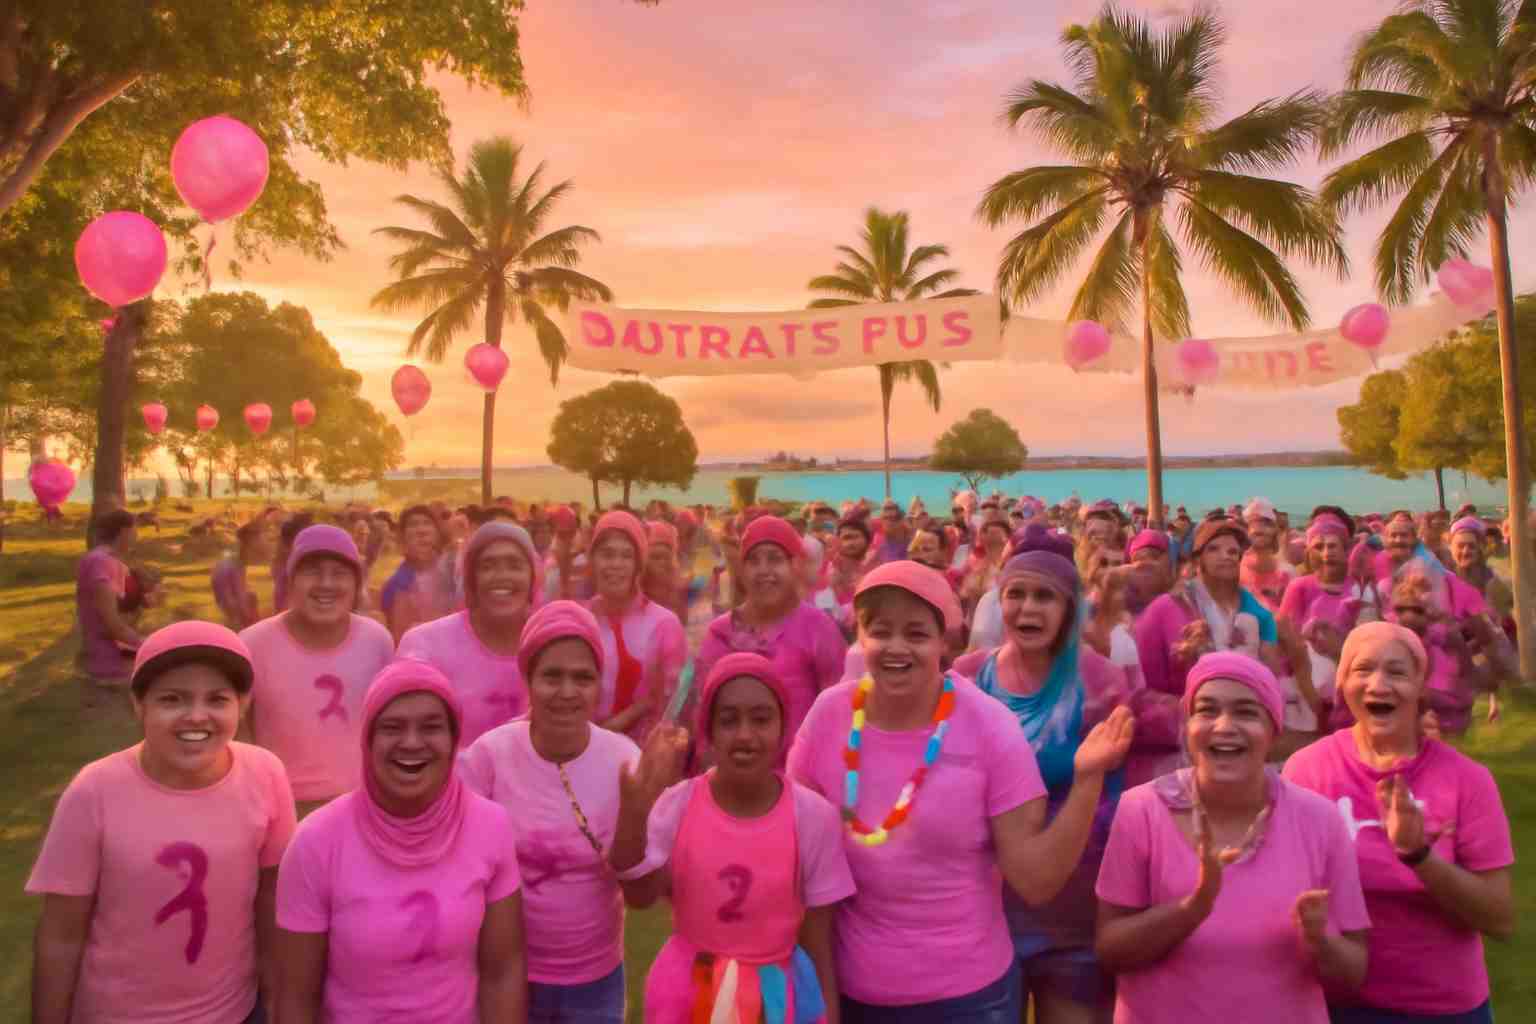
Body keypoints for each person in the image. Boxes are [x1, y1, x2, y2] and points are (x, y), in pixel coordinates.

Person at [789, 561, 1134, 1022]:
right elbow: (794, 858)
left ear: (945, 642)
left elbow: (1035, 879)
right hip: (856, 993)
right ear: (860, 637)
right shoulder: (829, 716)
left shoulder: (990, 726)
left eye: (916, 633)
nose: (896, 648)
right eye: (879, 631)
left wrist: (1088, 778)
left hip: (970, 999)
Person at [29, 621, 296, 1024]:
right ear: (140, 705)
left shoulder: (266, 773)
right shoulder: (95, 791)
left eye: (217, 699)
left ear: (241, 705)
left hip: (235, 1011)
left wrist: (276, 991)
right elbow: (61, 935)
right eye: (172, 699)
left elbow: (271, 895)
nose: (196, 716)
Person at [1095, 652, 1370, 1023]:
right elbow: (1110, 951)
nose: (1224, 726)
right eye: (1207, 710)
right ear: (1187, 725)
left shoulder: (1320, 820)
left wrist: (1321, 941)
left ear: (1273, 731)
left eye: (1246, 712)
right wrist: (1193, 908)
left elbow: (1354, 971)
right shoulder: (1140, 810)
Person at [1284, 623, 1514, 1024]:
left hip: (1442, 1007)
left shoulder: (1467, 780)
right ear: (1342, 684)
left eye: (1396, 672)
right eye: (1363, 670)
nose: (1379, 684)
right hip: (1333, 1002)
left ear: (1420, 686)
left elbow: (1498, 917)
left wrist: (1420, 856)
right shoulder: (1307, 771)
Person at [275, 660, 526, 1023]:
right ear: (368, 740)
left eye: (431, 727)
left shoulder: (491, 826)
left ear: (455, 739)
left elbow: (503, 971)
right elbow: (296, 999)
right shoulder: (316, 841)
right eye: (392, 727)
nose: (412, 743)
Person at [613, 652, 854, 1023]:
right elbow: (640, 897)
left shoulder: (812, 818)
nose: (745, 734)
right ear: (708, 731)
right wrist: (634, 816)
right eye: (729, 721)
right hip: (688, 993)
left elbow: (819, 942)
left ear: (782, 726)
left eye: (761, 719)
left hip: (776, 999)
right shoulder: (677, 805)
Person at [952, 549, 1134, 1024]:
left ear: (1069, 608)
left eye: (1044, 597)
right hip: (980, 909)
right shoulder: (966, 678)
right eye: (1016, 594)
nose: (1028, 609)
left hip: (1070, 909)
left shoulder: (1100, 682)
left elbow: (1111, 803)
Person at [461, 601, 640, 1024]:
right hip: (504, 973)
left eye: (582, 677)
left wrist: (641, 805)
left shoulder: (625, 759)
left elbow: (642, 890)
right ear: (527, 679)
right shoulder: (489, 756)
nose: (566, 691)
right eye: (551, 676)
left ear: (599, 684)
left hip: (595, 980)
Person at [241, 525, 395, 815]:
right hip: (281, 805)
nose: (326, 584)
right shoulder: (252, 644)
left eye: (339, 573)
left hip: (363, 801)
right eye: (312, 571)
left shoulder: (376, 640)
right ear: (291, 580)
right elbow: (239, 734)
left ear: (356, 582)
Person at [1131, 518, 1285, 785]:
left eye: (1233, 551)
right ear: (1197, 558)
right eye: (1214, 549)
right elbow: (1139, 685)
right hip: (1180, 739)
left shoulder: (1258, 615)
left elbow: (1271, 680)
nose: (1225, 556)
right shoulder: (1167, 608)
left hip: (1242, 732)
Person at [697, 516, 848, 752]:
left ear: (794, 565)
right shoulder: (720, 632)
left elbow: (839, 712)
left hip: (797, 772)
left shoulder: (818, 628)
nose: (764, 571)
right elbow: (702, 712)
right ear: (743, 569)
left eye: (775, 559)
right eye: (753, 561)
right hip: (731, 769)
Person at [398, 521, 542, 747]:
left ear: (533, 577)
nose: (501, 576)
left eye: (515, 565)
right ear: (471, 580)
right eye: (487, 566)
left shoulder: (551, 644)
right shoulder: (426, 645)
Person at [586, 510, 687, 742]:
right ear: (593, 560)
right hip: (579, 758)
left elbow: (673, 713)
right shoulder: (579, 621)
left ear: (638, 564)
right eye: (607, 554)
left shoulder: (664, 625)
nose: (616, 565)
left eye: (626, 556)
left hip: (643, 761)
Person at [75, 508, 156, 713]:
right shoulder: (101, 563)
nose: (136, 536)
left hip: (111, 654)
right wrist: (149, 646)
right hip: (110, 665)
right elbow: (112, 625)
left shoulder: (100, 560)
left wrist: (142, 602)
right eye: (134, 530)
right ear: (124, 532)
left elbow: (117, 616)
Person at [381, 504, 457, 643]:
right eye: (413, 524)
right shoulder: (395, 586)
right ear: (403, 537)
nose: (421, 530)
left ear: (438, 533)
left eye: (427, 523)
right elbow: (399, 639)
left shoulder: (455, 573)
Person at [212, 519, 271, 631]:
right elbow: (233, 604)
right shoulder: (231, 567)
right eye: (261, 541)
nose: (265, 545)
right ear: (250, 544)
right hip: (237, 623)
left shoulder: (236, 564)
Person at [1239, 498, 1294, 613]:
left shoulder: (1286, 573)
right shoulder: (1234, 569)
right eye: (1253, 523)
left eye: (1266, 523)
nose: (1258, 528)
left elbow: (1291, 616)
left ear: (1275, 530)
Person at [869, 500, 912, 566]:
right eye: (886, 518)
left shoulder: (914, 543)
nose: (889, 523)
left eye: (894, 519)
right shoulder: (878, 547)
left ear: (902, 520)